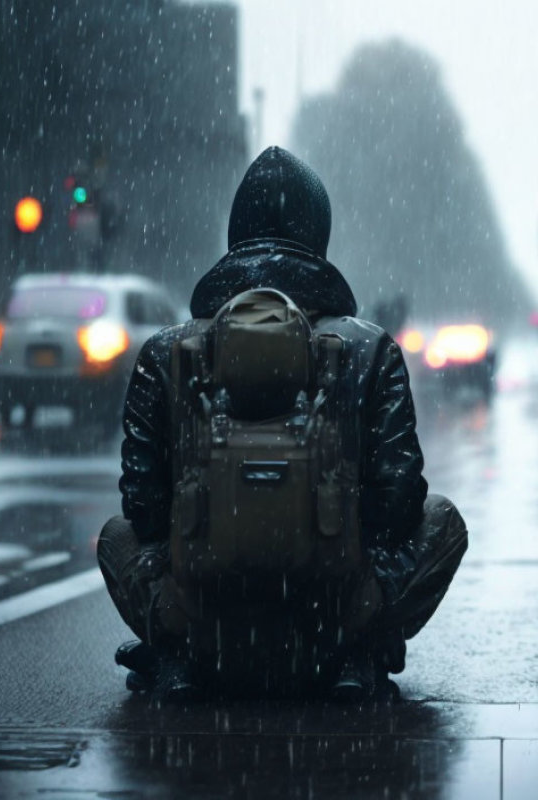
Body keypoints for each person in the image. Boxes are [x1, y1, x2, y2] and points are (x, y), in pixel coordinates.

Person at [97, 146, 468, 702]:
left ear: (234, 233)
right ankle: (357, 654)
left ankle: (179, 654)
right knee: (445, 521)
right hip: (333, 625)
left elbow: (143, 510)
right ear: (318, 233)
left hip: (205, 627)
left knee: (114, 539)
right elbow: (400, 504)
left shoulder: (166, 352)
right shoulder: (369, 348)